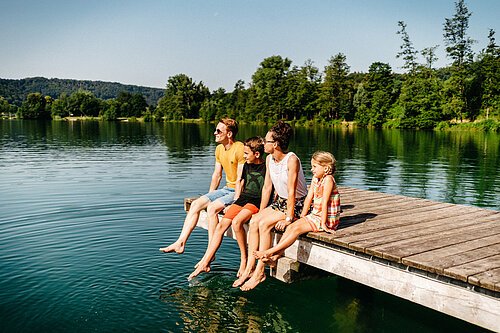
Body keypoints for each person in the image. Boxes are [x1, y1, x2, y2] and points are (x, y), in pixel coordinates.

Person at [235, 120, 308, 290]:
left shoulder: (291, 160)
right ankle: (249, 268)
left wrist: (289, 218)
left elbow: (291, 192)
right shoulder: (269, 159)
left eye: (266, 141)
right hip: (279, 202)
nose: (263, 144)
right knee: (255, 221)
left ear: (275, 144)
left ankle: (260, 272)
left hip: (296, 203)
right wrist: (261, 212)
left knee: (265, 224)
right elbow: (267, 187)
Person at [159, 118, 245, 254]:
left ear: (229, 134)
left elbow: (241, 179)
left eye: (218, 131)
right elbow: (217, 175)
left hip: (239, 191)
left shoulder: (239, 148)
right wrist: (209, 197)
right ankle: (180, 242)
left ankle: (210, 252)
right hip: (227, 188)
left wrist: (236, 201)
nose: (214, 133)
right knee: (196, 204)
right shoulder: (219, 149)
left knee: (212, 209)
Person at [188, 137, 267, 280]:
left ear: (256, 154)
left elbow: (269, 189)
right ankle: (206, 261)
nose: (244, 156)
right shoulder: (247, 165)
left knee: (237, 222)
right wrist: (236, 200)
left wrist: (263, 210)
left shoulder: (266, 166)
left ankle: (244, 259)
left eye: (246, 154)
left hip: (256, 201)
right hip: (243, 198)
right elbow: (240, 182)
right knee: (221, 225)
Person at [253, 151, 341, 266]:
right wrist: (302, 216)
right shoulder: (316, 178)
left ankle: (270, 251)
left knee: (296, 230)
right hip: (315, 215)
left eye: (314, 167)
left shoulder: (328, 179)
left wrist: (324, 225)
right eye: (311, 167)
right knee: (291, 227)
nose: (312, 170)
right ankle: (275, 257)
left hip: (326, 219)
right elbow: (309, 198)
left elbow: (324, 203)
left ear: (325, 168)